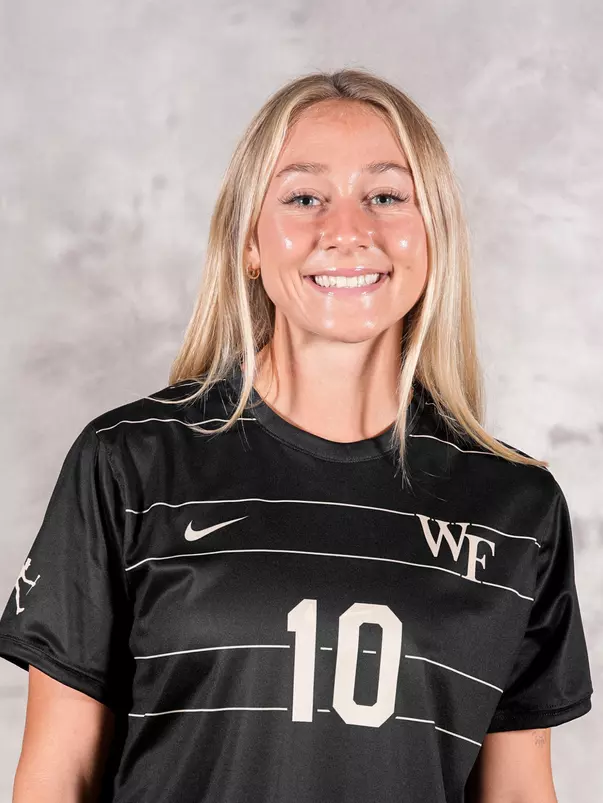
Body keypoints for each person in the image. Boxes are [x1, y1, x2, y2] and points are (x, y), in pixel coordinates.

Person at [0, 68, 593, 803]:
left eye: (385, 196)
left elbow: (519, 792)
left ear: (433, 235)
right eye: (304, 198)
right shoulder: (130, 463)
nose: (348, 231)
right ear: (249, 242)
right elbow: (57, 775)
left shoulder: (517, 506)